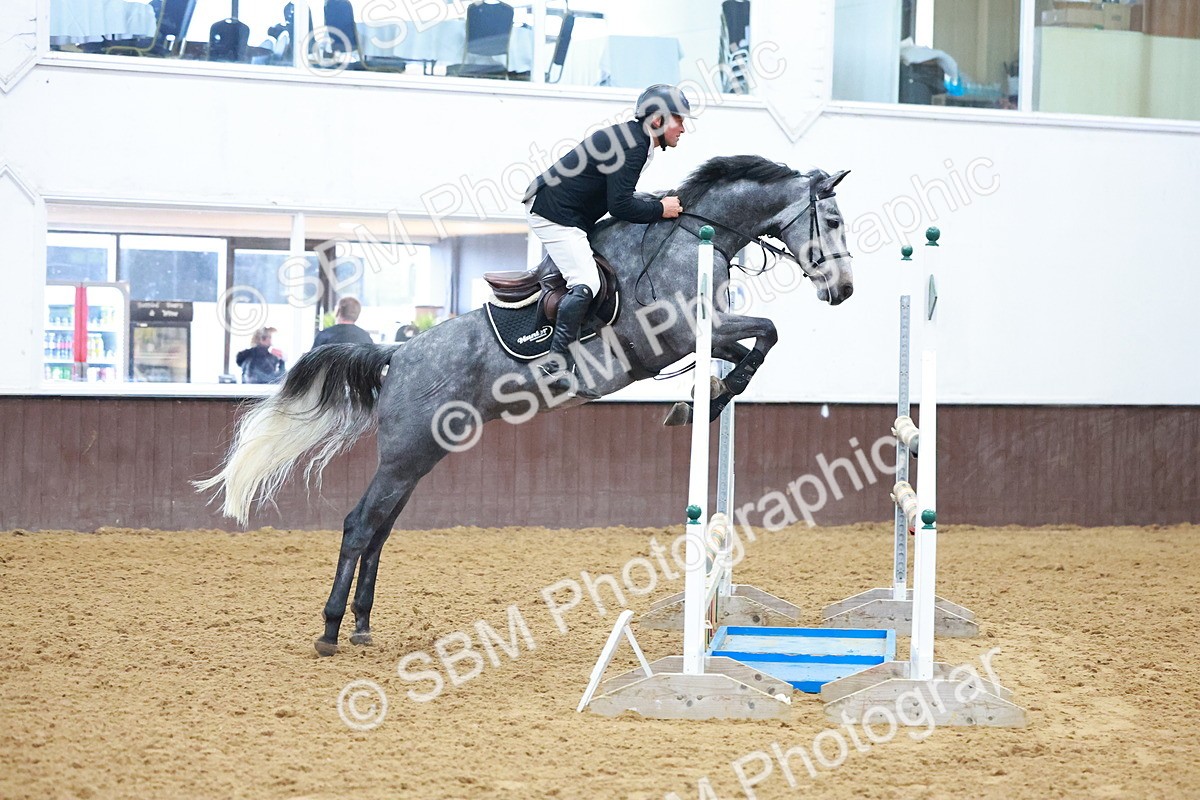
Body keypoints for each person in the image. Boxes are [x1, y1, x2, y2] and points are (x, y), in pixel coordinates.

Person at [522, 83, 693, 397]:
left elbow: (620, 197)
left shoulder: (636, 139)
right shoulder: (635, 145)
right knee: (588, 283)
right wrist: (660, 209)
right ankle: (554, 366)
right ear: (657, 120)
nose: (683, 128)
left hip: (571, 214)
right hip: (555, 215)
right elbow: (621, 206)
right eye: (678, 120)